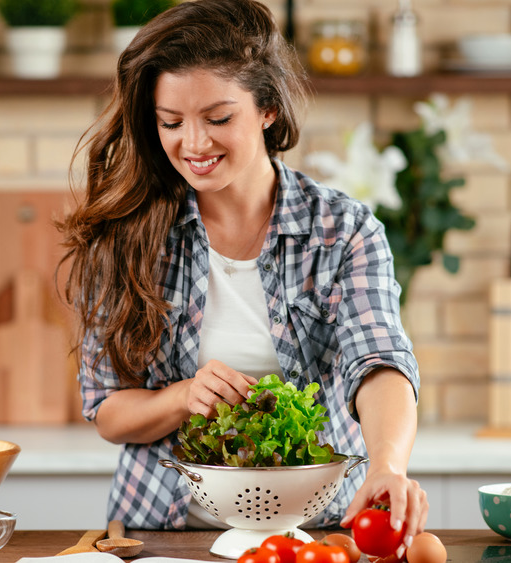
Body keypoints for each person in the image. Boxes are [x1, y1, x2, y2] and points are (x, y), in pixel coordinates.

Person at [58, 0, 427, 550]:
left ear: (269, 109)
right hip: (161, 536)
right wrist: (184, 396)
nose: (194, 144)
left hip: (318, 534)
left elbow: (377, 361)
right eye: (171, 122)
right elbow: (109, 409)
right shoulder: (126, 235)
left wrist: (389, 465)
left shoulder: (344, 230)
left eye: (218, 118)